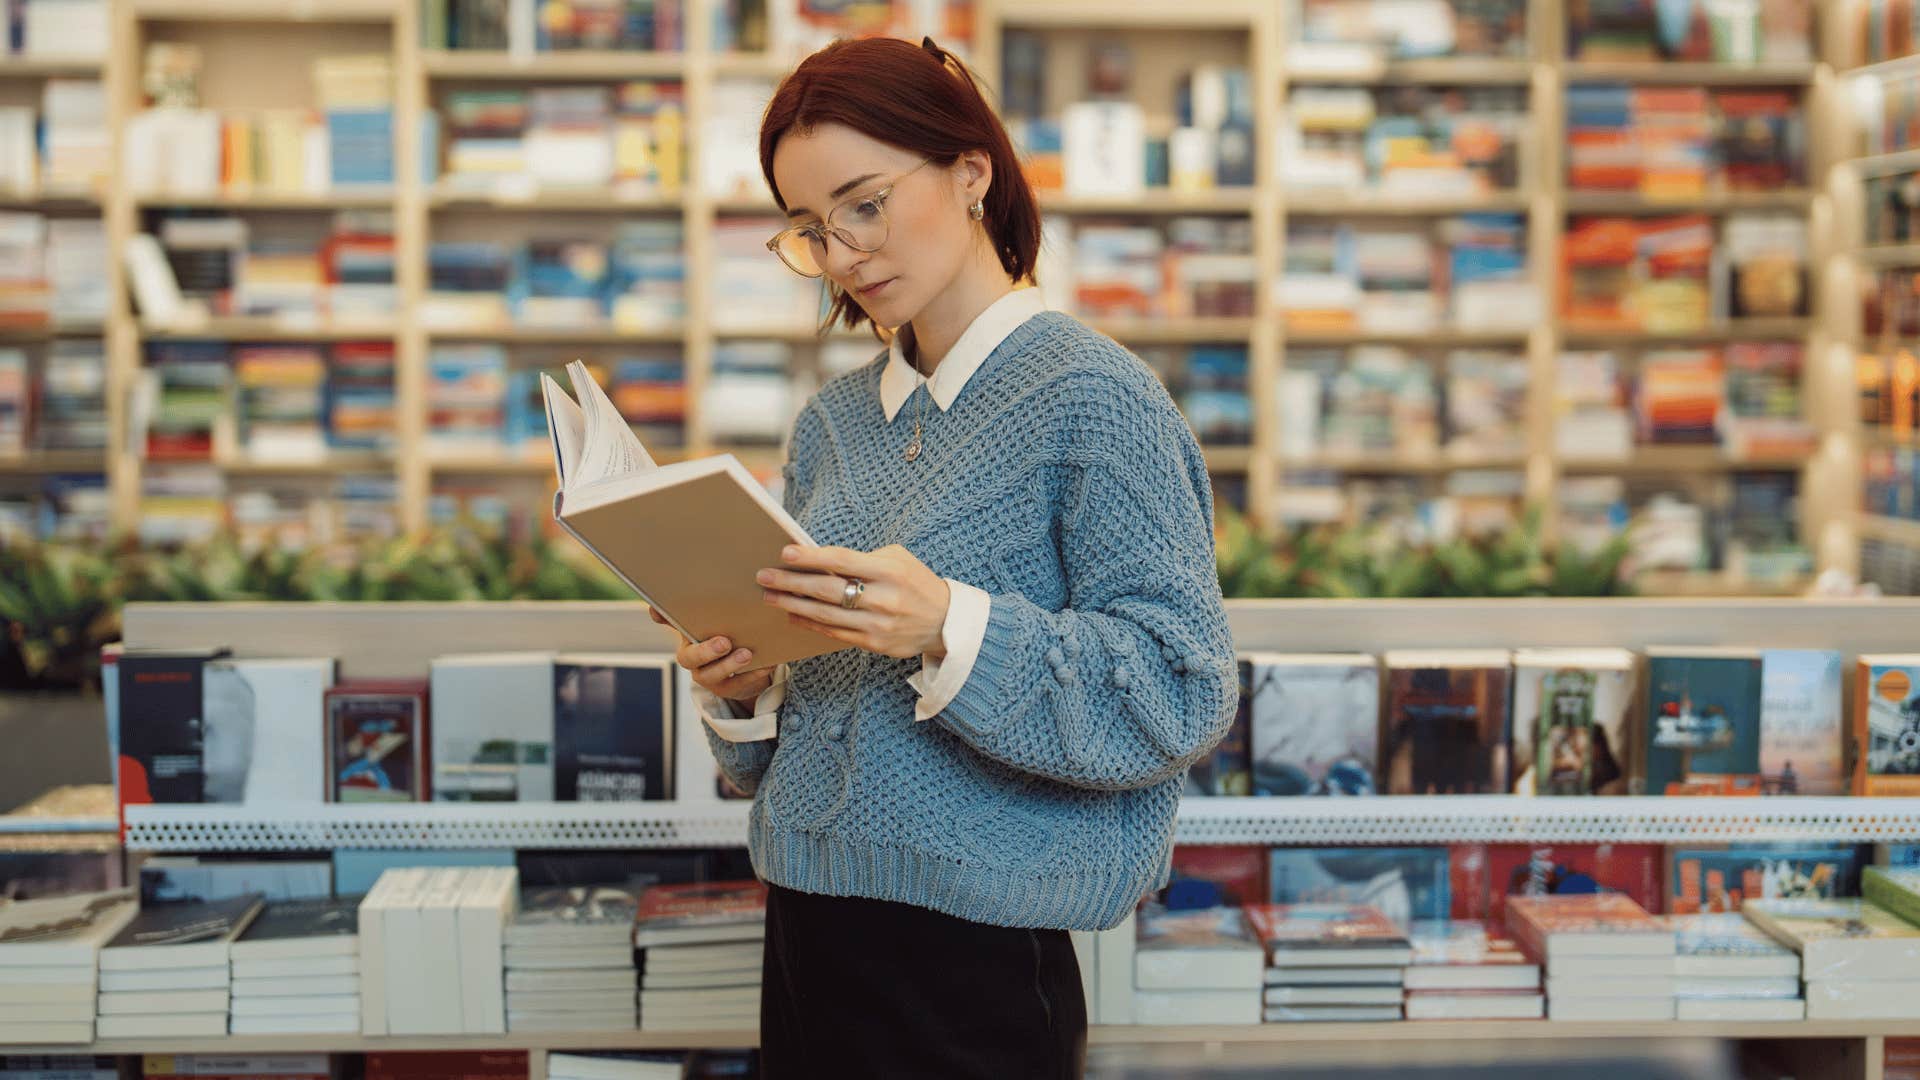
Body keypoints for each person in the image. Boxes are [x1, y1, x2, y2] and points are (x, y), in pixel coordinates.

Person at [651, 34, 1237, 1079]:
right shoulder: (831, 425)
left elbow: (1182, 688)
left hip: (979, 960)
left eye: (865, 204)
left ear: (972, 172)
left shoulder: (1095, 398)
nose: (843, 255)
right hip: (806, 934)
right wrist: (746, 686)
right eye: (810, 231)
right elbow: (775, 760)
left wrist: (949, 627)